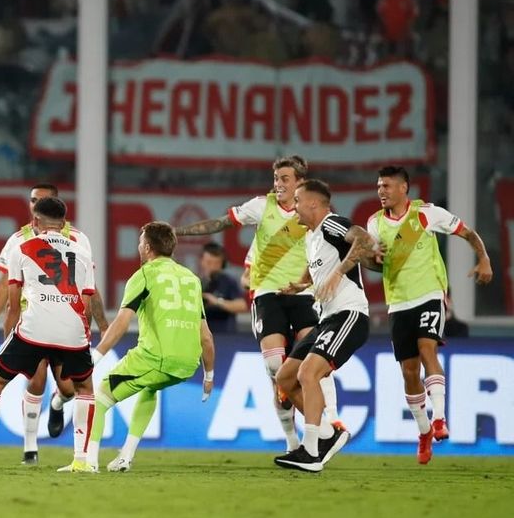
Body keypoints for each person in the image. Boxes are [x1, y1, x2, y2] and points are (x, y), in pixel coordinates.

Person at [175, 156, 341, 452]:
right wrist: (179, 232)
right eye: (276, 179)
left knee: (315, 359)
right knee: (277, 367)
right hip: (266, 295)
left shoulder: (316, 213)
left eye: (285, 179)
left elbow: (341, 242)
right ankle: (293, 441)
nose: (278, 185)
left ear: (300, 182)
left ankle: (331, 421)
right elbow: (221, 223)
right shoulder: (261, 206)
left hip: (303, 295)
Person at [0, 197, 98, 473]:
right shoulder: (84, 253)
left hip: (33, 332)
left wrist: (9, 339)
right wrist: (82, 337)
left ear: (36, 222)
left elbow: (13, 302)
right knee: (85, 390)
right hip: (74, 332)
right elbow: (87, 303)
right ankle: (81, 461)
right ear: (64, 223)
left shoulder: (22, 247)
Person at [366, 165, 493, 464]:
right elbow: (374, 265)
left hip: (429, 294)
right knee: (409, 372)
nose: (381, 191)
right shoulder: (374, 224)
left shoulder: (426, 213)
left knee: (427, 349)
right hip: (398, 302)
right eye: (378, 186)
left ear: (403, 188)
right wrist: (374, 258)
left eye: (386, 186)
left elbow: (468, 233)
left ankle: (439, 418)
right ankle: (424, 430)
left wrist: (484, 258)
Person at [87, 222, 216, 472]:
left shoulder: (144, 275)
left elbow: (122, 321)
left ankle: (88, 462)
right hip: (188, 363)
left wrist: (97, 355)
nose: (138, 246)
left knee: (99, 398)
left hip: (155, 357)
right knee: (149, 389)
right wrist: (209, 374)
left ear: (147, 247)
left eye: (140, 242)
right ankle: (125, 456)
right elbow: (206, 336)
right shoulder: (191, 279)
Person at [274, 180, 376, 473]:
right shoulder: (311, 237)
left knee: (308, 373)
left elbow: (364, 239)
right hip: (327, 318)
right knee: (285, 378)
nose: (293, 206)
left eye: (297, 200)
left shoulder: (332, 223)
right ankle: (329, 434)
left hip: (349, 315)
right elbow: (318, 264)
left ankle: (311, 453)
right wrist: (303, 283)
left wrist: (337, 275)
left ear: (314, 204)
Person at [199, 241, 248, 333]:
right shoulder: (196, 282)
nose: (212, 267)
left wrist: (217, 302)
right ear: (202, 261)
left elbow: (242, 306)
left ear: (223, 264)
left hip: (225, 336)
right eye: (209, 262)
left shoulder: (229, 282)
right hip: (202, 335)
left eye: (216, 263)